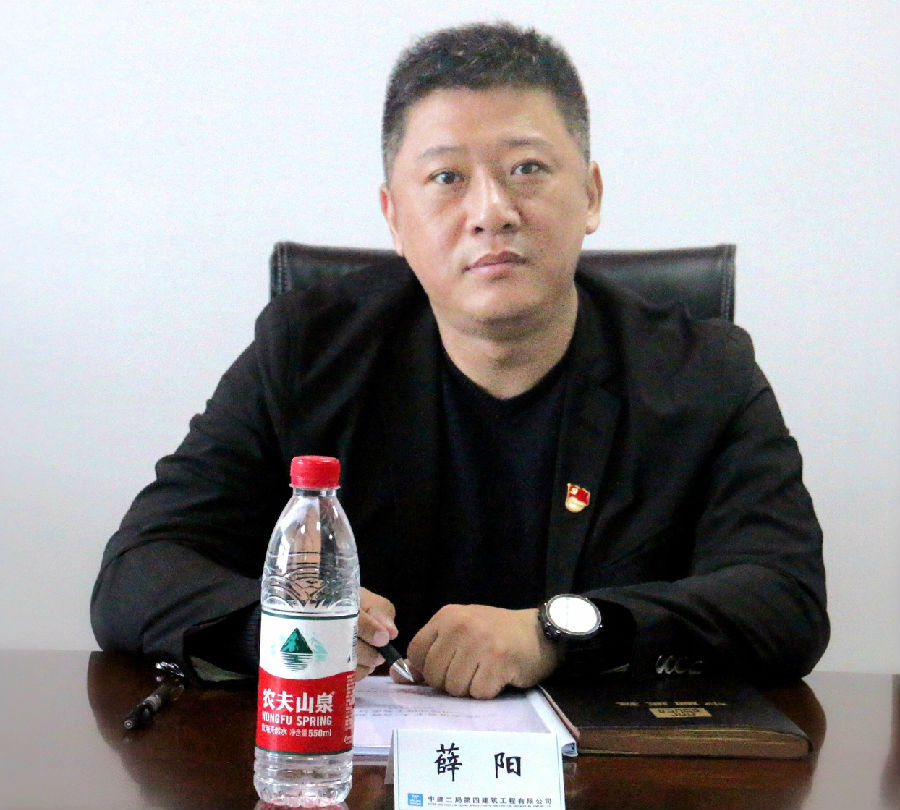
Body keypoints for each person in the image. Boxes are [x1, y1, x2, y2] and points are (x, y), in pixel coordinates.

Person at [91, 22, 829, 698]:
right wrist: (288, 626)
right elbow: (138, 570)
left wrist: (559, 632)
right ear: (393, 217)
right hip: (353, 768)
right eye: (447, 178)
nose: (491, 211)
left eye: (527, 168)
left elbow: (785, 600)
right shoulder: (306, 352)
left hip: (608, 770)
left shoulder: (703, 374)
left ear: (591, 195)